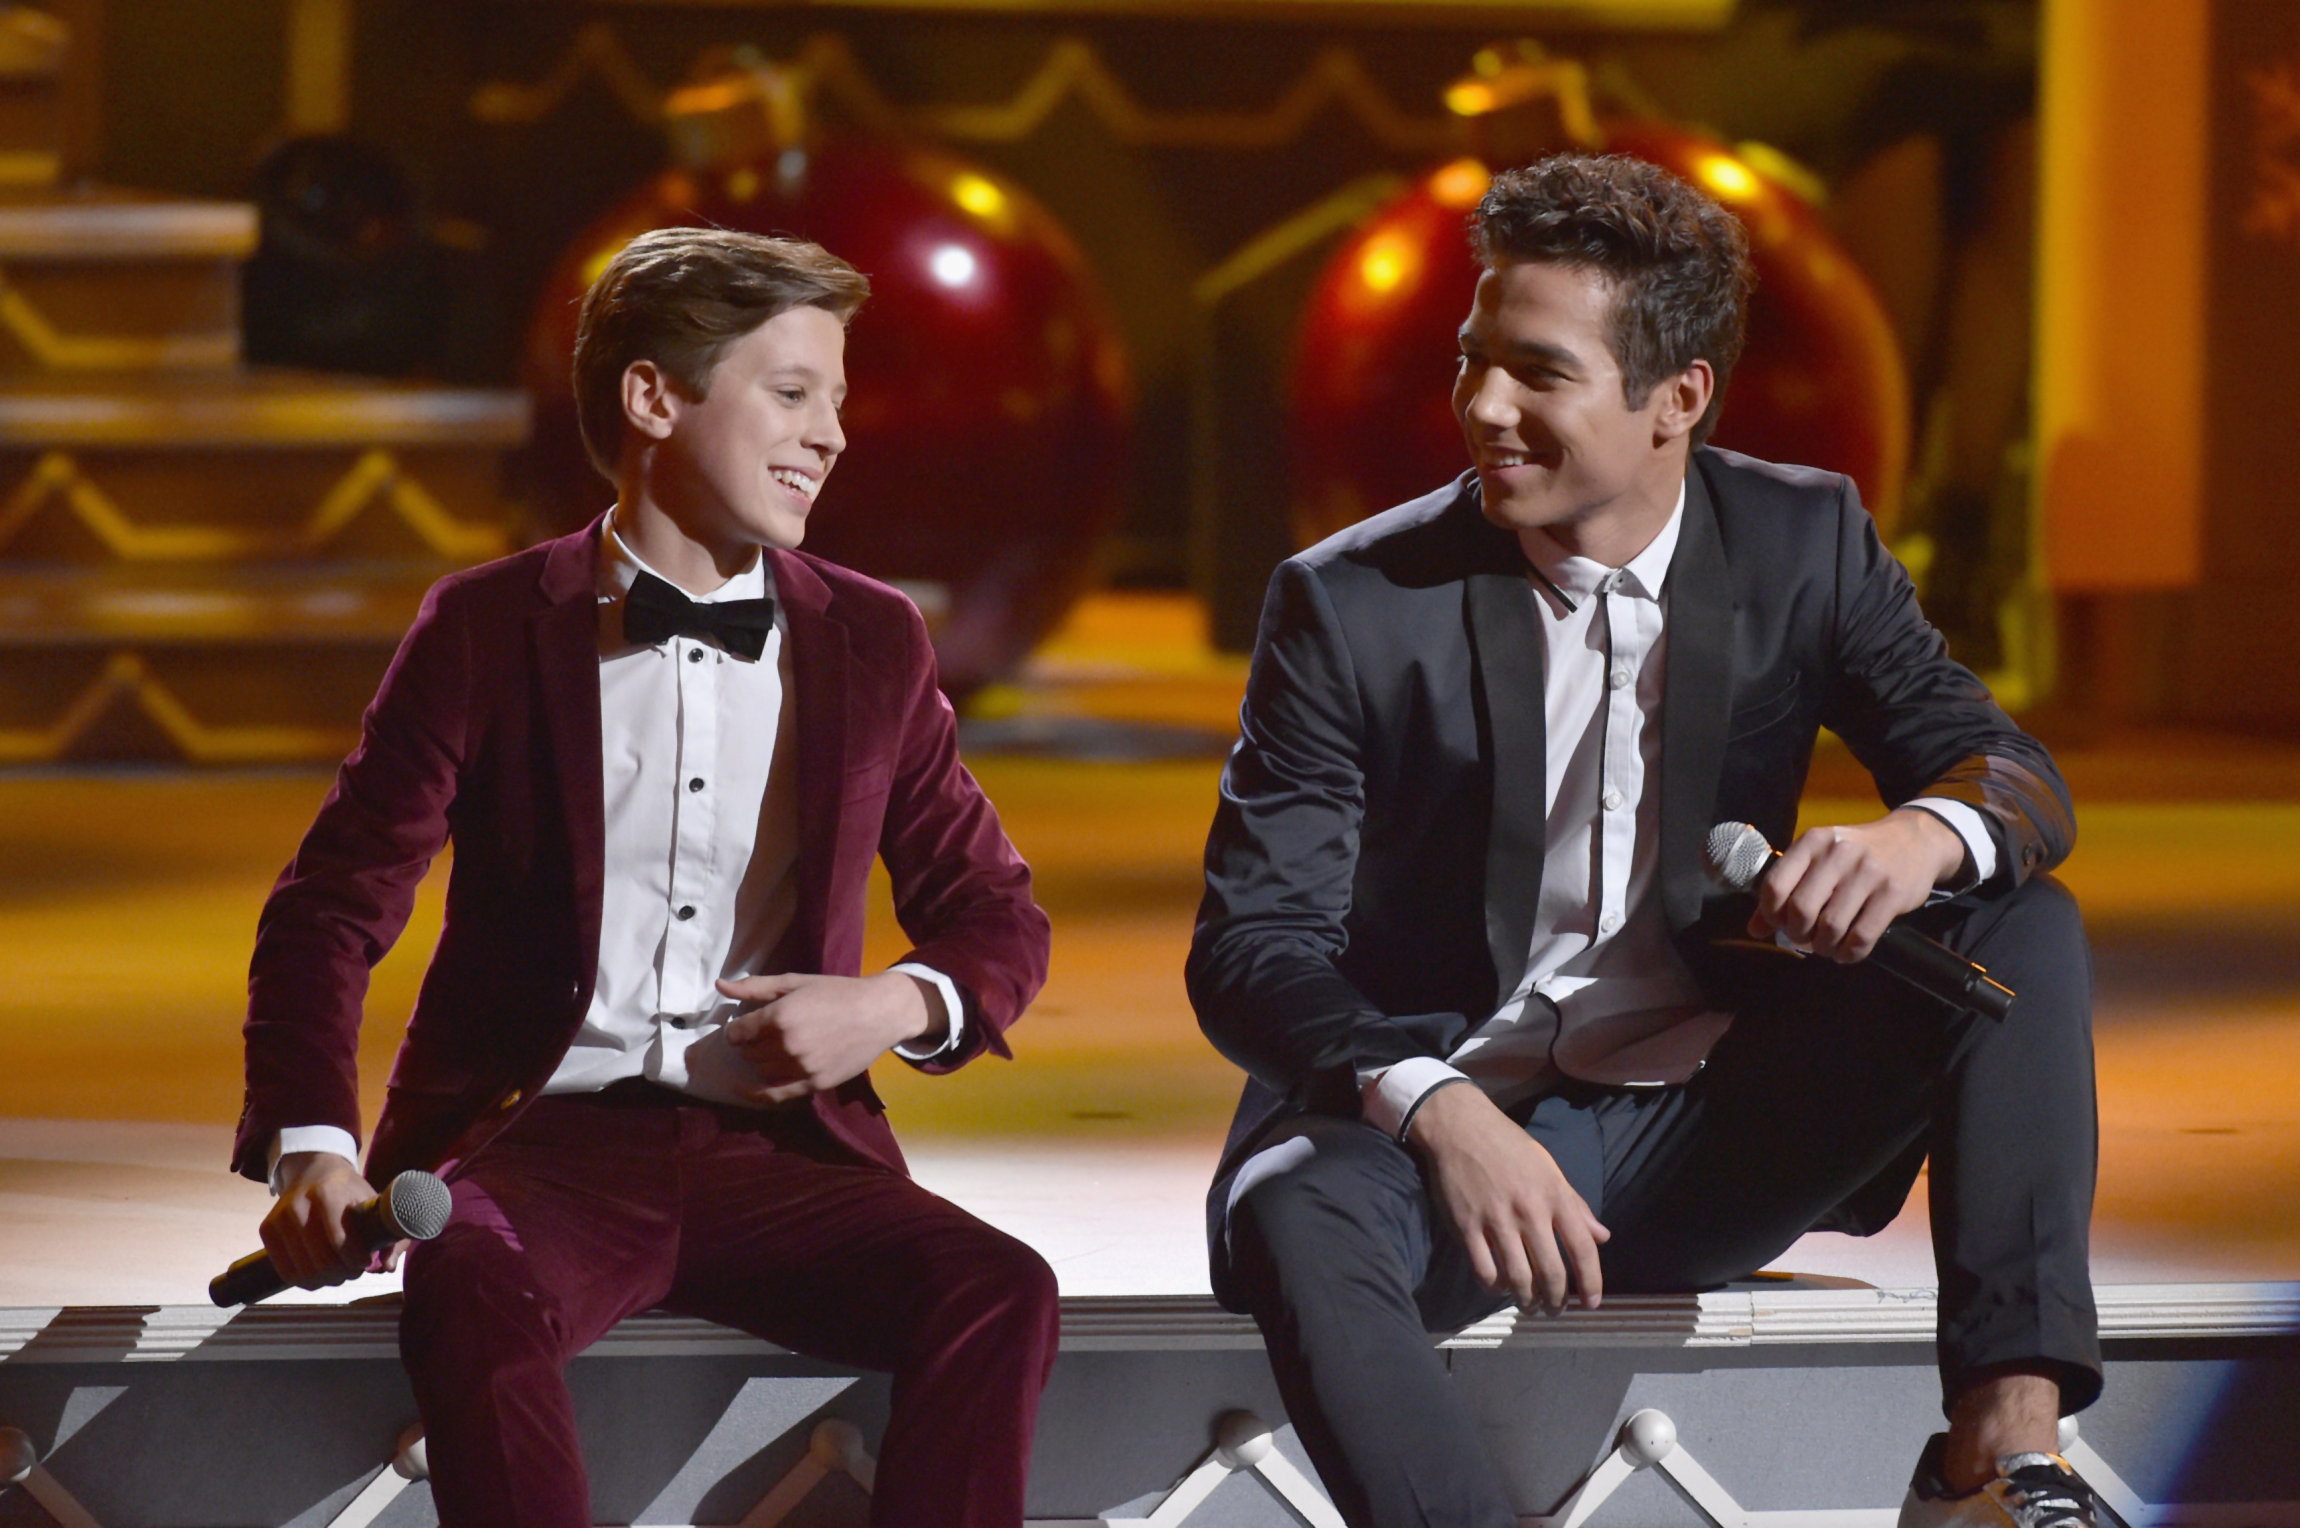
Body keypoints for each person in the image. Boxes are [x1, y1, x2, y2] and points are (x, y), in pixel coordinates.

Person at [1189, 154, 2098, 1528]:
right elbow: (1251, 949)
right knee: (1292, 1209)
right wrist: (1434, 1106)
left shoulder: (1805, 541)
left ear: (1678, 400)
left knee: (2016, 930)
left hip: (1704, 1128)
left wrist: (1921, 836)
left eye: (1538, 374)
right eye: (1472, 361)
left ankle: (1998, 1459)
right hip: (1446, 1148)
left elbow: (2013, 775)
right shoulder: (1353, 601)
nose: (1484, 407)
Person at [233, 227, 1058, 1528]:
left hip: (784, 1158)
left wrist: (890, 1007)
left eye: (838, 399)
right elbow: (332, 906)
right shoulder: (487, 626)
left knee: (1000, 1289)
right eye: (793, 393)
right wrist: (311, 1151)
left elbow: (992, 913)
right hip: (537, 1148)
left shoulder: (873, 637)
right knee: (464, 1278)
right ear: (652, 397)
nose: (833, 435)